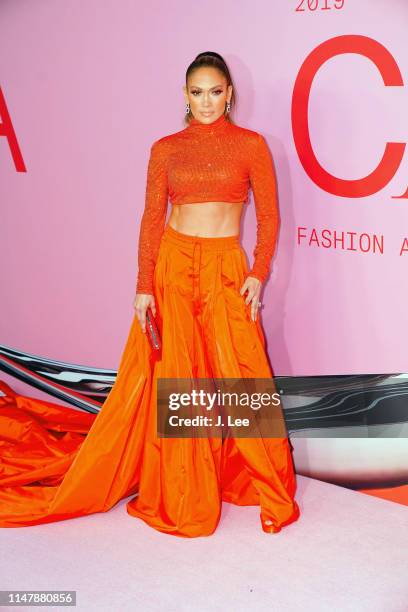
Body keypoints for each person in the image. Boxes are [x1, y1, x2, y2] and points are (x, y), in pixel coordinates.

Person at [0, 51, 300, 537]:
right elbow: (151, 219)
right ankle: (185, 494)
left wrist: (258, 273)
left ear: (230, 95)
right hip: (174, 266)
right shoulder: (165, 148)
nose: (206, 101)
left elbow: (269, 217)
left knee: (246, 377)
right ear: (185, 95)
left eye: (216, 91)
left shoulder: (250, 145)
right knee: (181, 379)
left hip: (227, 267)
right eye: (197, 92)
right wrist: (144, 285)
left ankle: (270, 489)